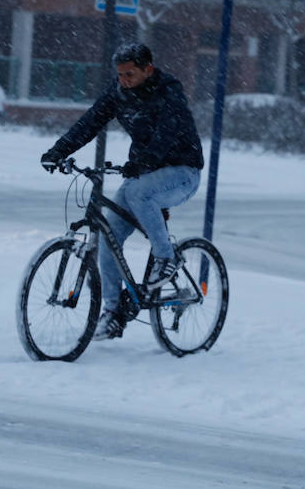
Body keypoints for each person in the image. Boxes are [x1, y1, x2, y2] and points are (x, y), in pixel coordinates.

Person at [40, 43, 204, 341]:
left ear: (148, 69)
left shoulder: (169, 91)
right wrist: (58, 151)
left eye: (130, 74)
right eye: (120, 74)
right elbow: (89, 123)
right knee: (108, 237)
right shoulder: (119, 94)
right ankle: (114, 313)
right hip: (145, 172)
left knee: (139, 193)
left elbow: (168, 130)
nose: (124, 80)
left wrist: (146, 159)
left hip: (182, 171)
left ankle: (167, 258)